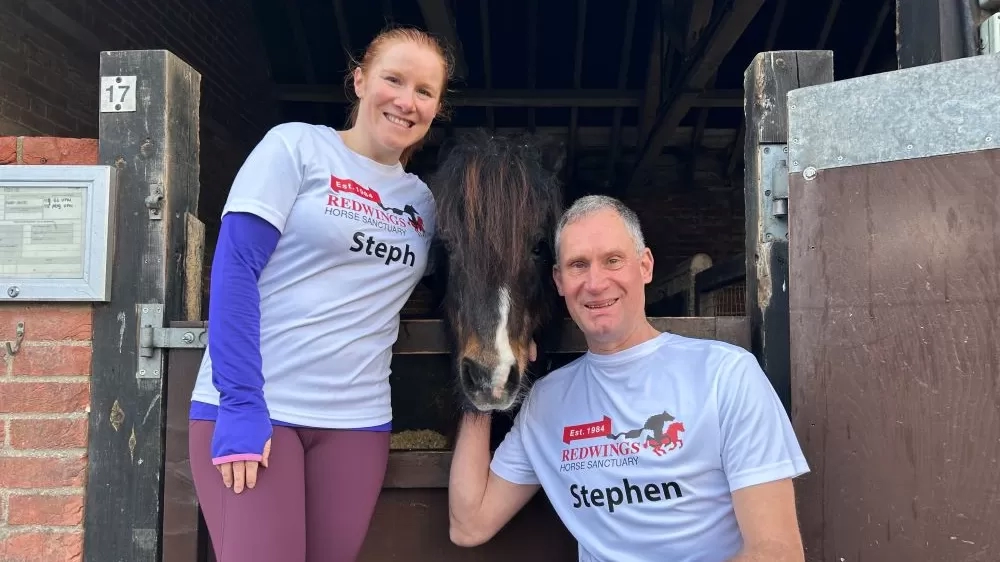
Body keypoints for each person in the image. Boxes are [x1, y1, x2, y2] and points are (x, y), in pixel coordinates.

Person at [186, 26, 453, 561]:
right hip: (260, 409)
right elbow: (236, 267)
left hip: (357, 424)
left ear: (436, 107)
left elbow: (474, 284)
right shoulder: (296, 146)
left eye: (424, 91)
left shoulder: (424, 203)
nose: (406, 101)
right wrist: (241, 403)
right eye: (393, 80)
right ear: (359, 81)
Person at [447, 195, 809, 562]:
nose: (595, 282)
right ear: (558, 281)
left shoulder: (725, 375)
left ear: (646, 265)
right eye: (578, 265)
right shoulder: (547, 402)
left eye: (612, 260)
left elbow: (777, 552)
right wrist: (486, 371)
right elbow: (469, 524)